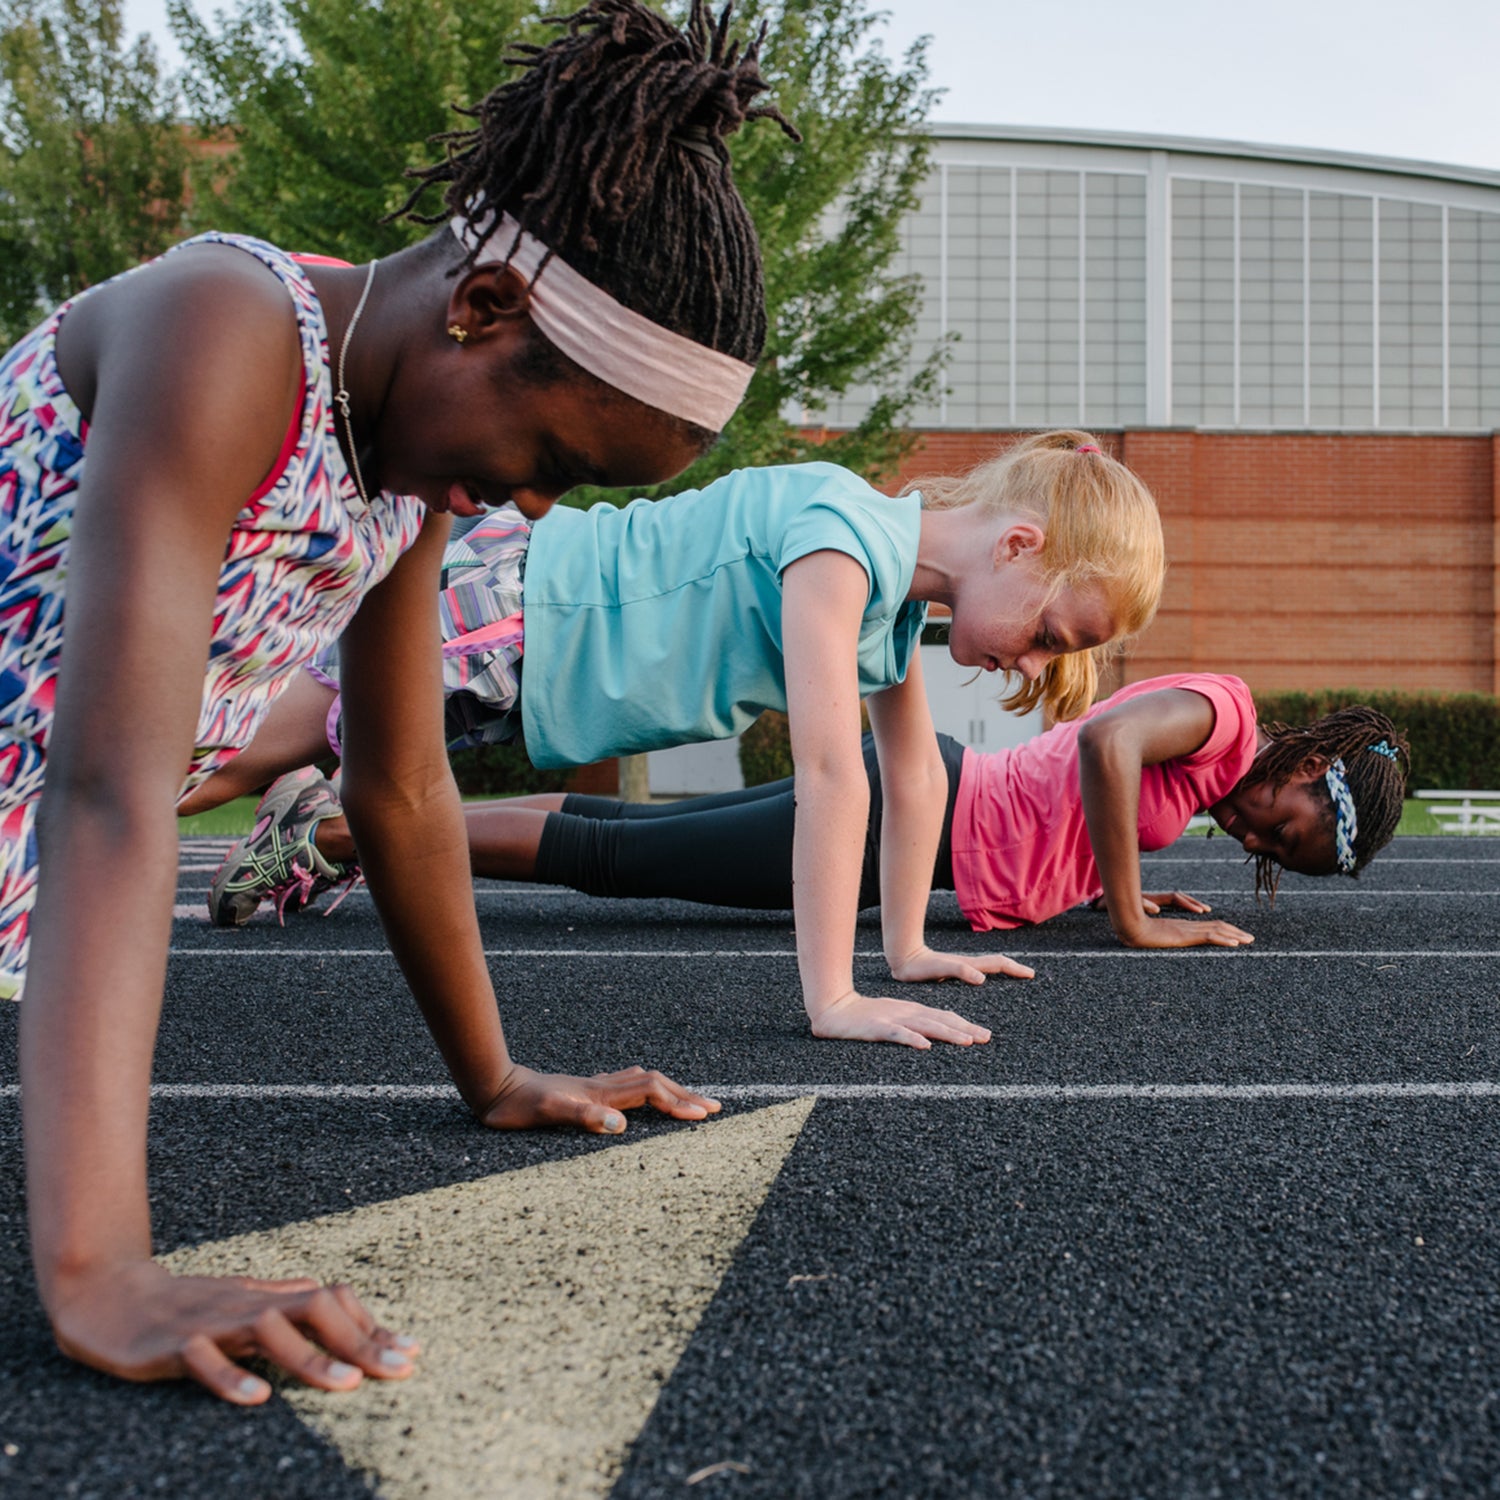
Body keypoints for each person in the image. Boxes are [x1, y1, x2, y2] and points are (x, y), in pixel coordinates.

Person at [5, 0, 795, 1404]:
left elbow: (405, 782)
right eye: (548, 454)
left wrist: (493, 1075)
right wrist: (98, 1265)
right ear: (483, 310)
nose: (536, 506)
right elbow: (109, 791)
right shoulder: (226, 328)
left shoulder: (400, 464)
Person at [192, 432, 1167, 1046]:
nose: (1037, 666)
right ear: (1017, 545)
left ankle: (256, 822)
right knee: (229, 752)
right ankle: (63, 835)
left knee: (293, 749)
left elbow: (913, 778)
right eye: (1051, 637)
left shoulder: (897, 609)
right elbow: (835, 776)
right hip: (516, 605)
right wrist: (834, 998)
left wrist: (906, 950)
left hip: (524, 650)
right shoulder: (845, 542)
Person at [355, 675, 1407, 947]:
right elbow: (1102, 743)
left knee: (627, 840)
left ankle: (344, 825)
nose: (1255, 836)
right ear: (1308, 763)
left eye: (1276, 856)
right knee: (617, 857)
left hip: (920, 810)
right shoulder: (1224, 717)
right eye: (1284, 826)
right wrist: (1131, 917)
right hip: (917, 814)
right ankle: (334, 833)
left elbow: (1079, 806)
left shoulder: (1215, 762)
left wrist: (1110, 886)